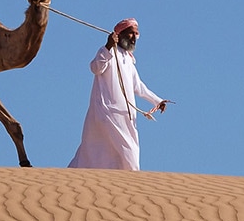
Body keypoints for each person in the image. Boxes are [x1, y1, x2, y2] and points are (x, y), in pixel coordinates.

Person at [67, 18, 169, 171]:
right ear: (119, 34)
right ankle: (133, 181)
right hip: (108, 111)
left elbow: (138, 87)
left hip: (126, 115)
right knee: (123, 150)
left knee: (121, 149)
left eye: (136, 34)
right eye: (130, 34)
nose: (134, 37)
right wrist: (108, 46)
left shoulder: (129, 60)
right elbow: (95, 68)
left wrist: (157, 101)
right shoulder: (107, 52)